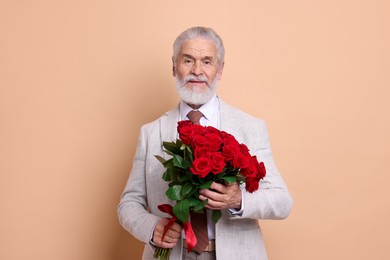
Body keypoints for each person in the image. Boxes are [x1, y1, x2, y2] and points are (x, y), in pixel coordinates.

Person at [118, 26, 293, 260]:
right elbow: (129, 203)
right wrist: (151, 228)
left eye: (207, 62)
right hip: (172, 254)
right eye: (188, 60)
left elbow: (282, 201)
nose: (196, 71)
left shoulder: (250, 127)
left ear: (220, 70)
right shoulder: (151, 133)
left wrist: (239, 199)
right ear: (174, 66)